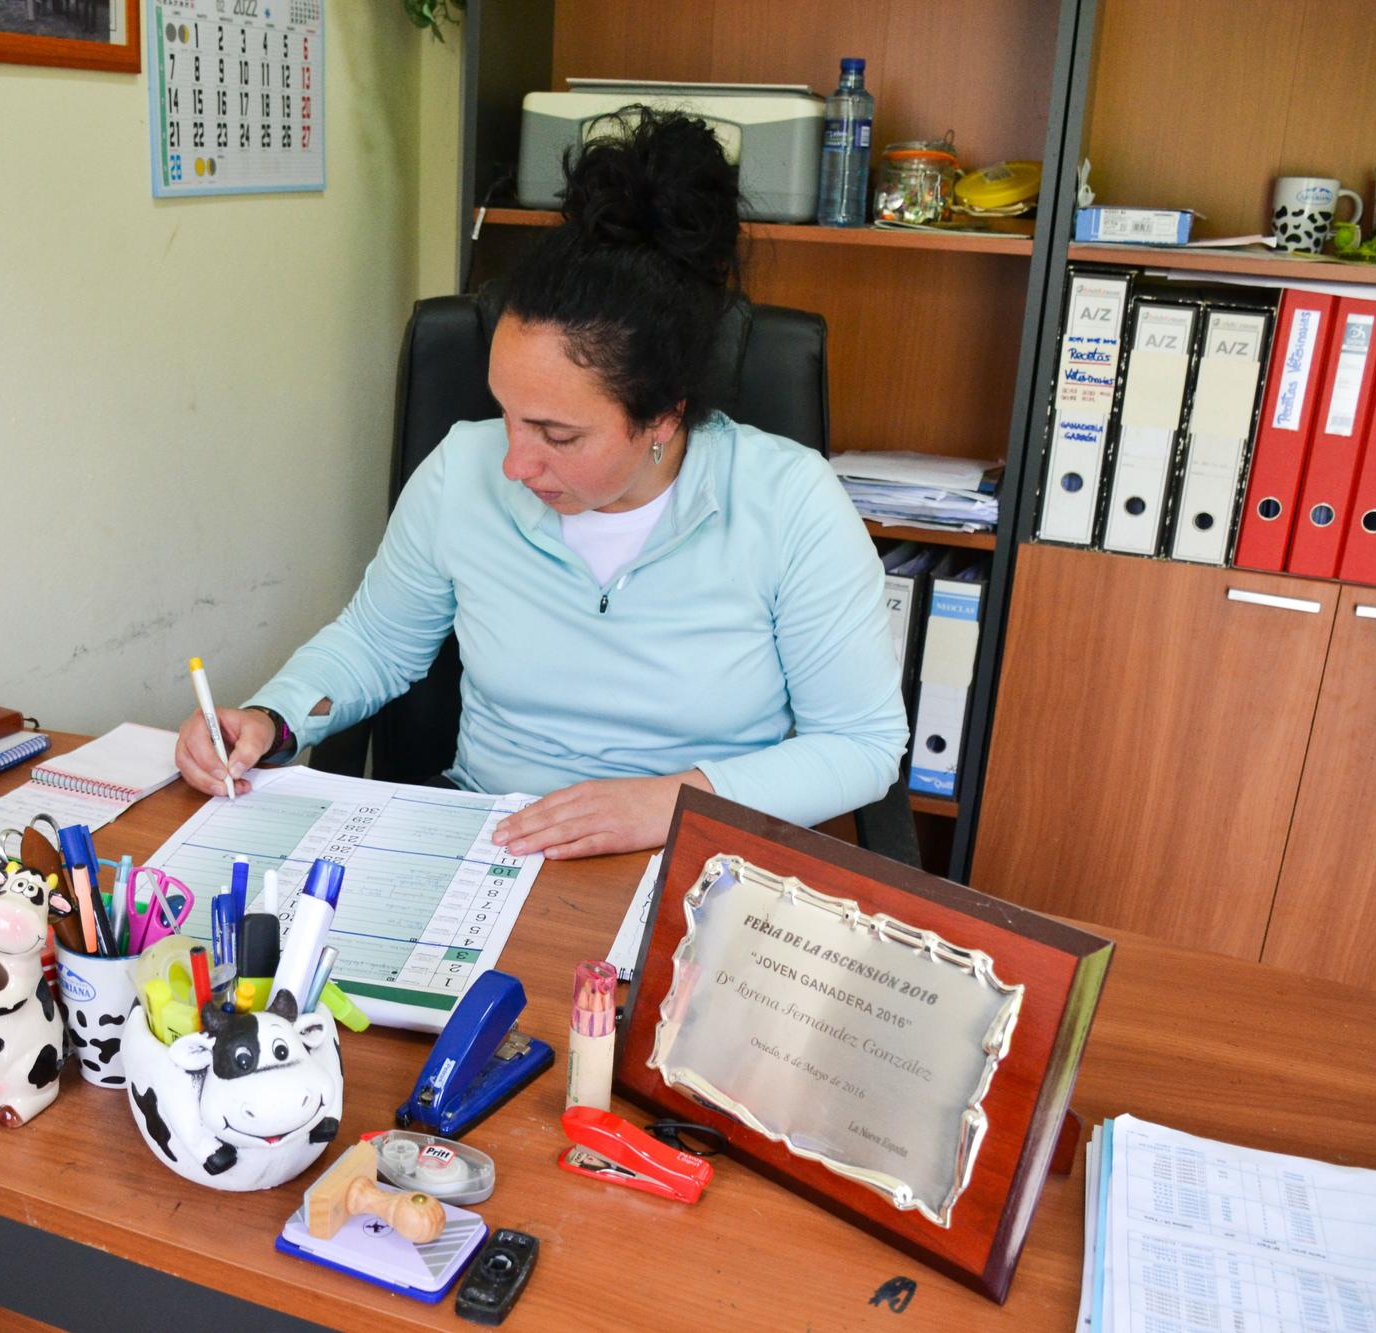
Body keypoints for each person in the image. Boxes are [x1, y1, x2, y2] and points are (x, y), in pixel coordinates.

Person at [175, 107, 907, 860]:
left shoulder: (788, 502)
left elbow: (861, 743)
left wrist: (670, 804)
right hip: (489, 847)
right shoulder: (463, 470)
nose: (514, 463)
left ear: (662, 416)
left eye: (558, 435)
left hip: (695, 863)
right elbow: (375, 644)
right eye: (506, 414)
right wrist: (273, 717)